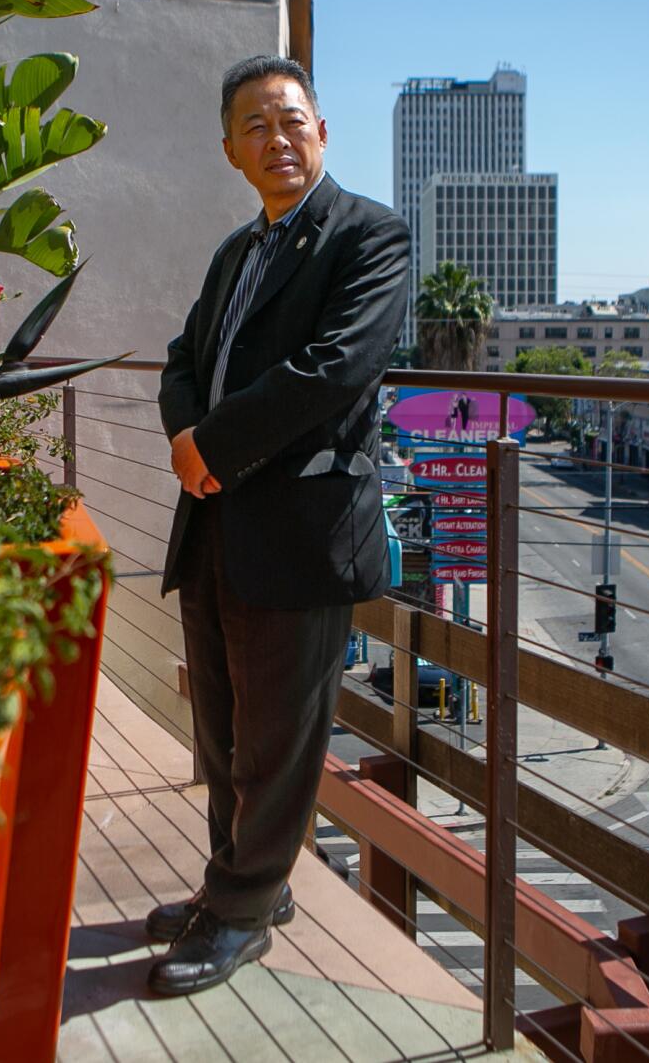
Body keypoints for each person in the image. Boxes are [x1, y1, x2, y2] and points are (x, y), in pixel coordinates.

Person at [149, 55, 408, 995]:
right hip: (215, 517)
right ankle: (245, 885)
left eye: (293, 120)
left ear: (323, 132)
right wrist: (187, 434)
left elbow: (336, 371)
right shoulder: (234, 253)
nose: (278, 138)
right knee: (221, 729)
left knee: (279, 739)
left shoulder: (369, 236)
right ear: (231, 151)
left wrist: (211, 444)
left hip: (298, 530)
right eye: (255, 126)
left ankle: (243, 909)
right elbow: (184, 357)